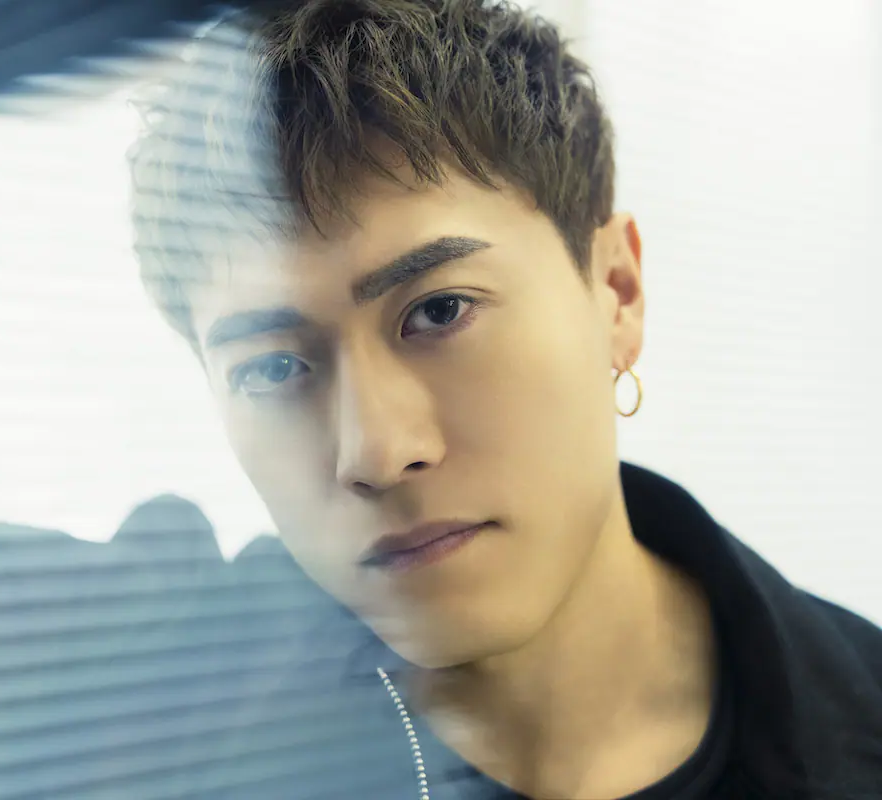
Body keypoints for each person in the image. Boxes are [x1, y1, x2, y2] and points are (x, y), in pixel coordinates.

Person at [126, 1, 882, 797]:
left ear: (616, 292)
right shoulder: (161, 721)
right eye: (275, 367)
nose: (377, 452)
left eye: (440, 311)